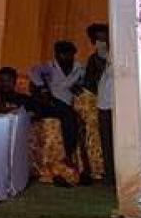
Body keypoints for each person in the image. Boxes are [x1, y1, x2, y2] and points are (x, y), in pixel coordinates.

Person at [28, 40, 94, 184]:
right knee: (69, 116)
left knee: (73, 117)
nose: (64, 57)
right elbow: (33, 72)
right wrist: (42, 87)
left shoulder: (79, 69)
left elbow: (85, 83)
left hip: (67, 103)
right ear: (56, 55)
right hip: (51, 102)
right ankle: (68, 155)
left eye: (68, 54)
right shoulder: (49, 67)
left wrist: (79, 86)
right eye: (61, 54)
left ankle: (78, 165)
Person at [82, 23, 114, 182]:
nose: (102, 41)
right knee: (106, 140)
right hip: (104, 103)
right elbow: (88, 83)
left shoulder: (118, 54)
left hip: (122, 104)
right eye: (98, 39)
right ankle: (110, 173)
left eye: (104, 38)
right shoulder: (94, 60)